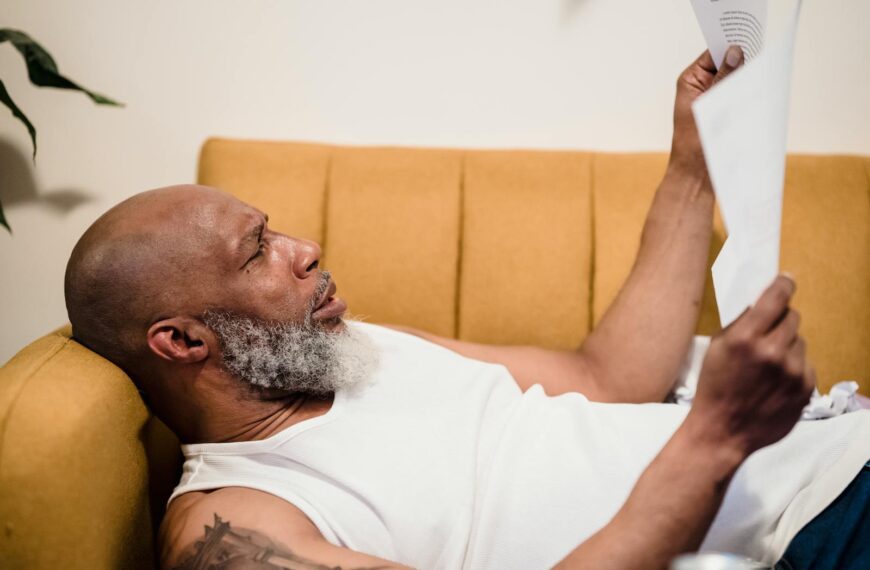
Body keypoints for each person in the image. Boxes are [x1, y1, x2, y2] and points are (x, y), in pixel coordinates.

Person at [63, 47, 869, 570]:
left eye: (275, 230)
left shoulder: (349, 347)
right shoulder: (236, 528)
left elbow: (607, 375)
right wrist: (716, 435)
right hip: (820, 524)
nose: (304, 247)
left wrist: (692, 162)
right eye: (257, 250)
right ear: (180, 340)